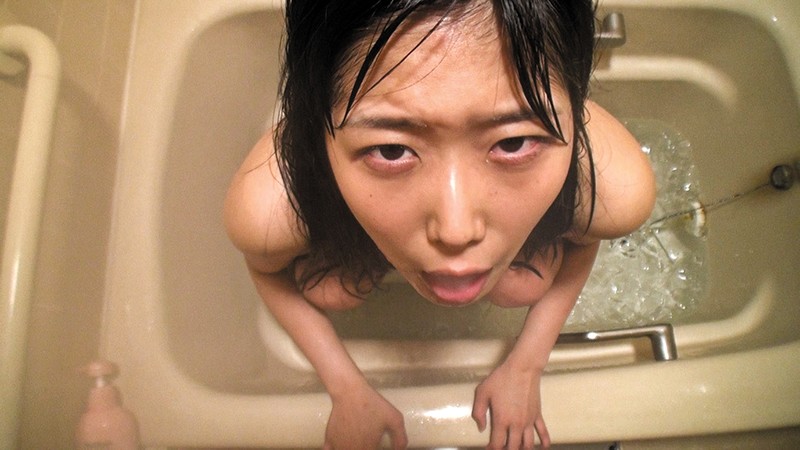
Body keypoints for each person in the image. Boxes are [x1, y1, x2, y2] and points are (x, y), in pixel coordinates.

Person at [224, 0, 656, 448]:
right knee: (329, 290)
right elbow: (267, 270)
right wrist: (346, 387)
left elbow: (583, 239)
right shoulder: (267, 207)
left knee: (522, 286)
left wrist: (526, 365)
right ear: (317, 128)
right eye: (391, 150)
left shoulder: (614, 187)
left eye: (513, 142)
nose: (456, 231)